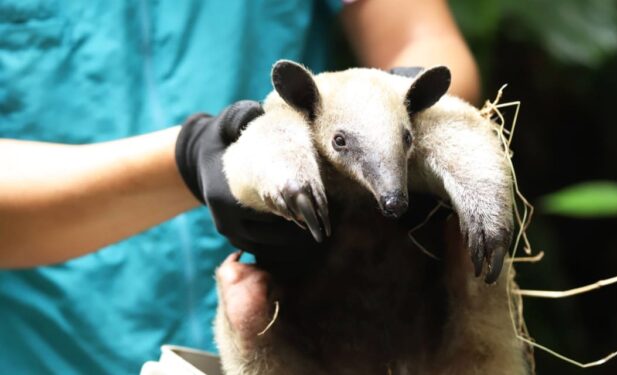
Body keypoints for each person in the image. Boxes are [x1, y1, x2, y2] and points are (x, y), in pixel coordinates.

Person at [0, 0, 480, 373]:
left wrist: (395, 108)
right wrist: (192, 158)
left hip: (310, 328)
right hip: (58, 346)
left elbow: (420, 38)